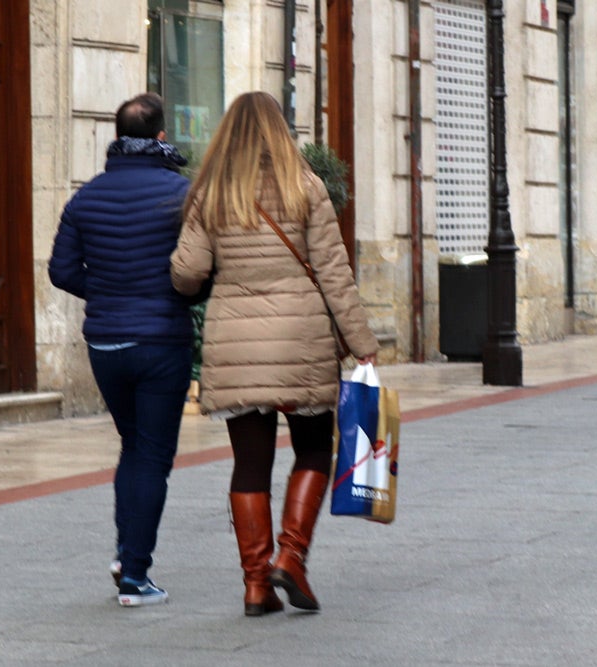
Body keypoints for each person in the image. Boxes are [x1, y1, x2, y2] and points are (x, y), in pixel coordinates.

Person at [170, 91, 379, 616]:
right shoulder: (305, 187)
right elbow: (334, 273)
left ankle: (257, 585)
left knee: (250, 464)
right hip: (301, 337)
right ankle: (292, 555)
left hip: (236, 340)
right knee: (312, 449)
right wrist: (363, 345)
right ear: (280, 131)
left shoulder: (211, 194)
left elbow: (187, 273)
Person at [49, 92, 201, 607]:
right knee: (153, 454)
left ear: (116, 138)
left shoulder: (85, 197)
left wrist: (110, 294)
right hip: (161, 340)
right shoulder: (181, 194)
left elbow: (62, 271)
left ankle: (124, 551)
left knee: (132, 445)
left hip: (106, 343)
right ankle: (135, 573)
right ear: (161, 136)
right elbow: (197, 269)